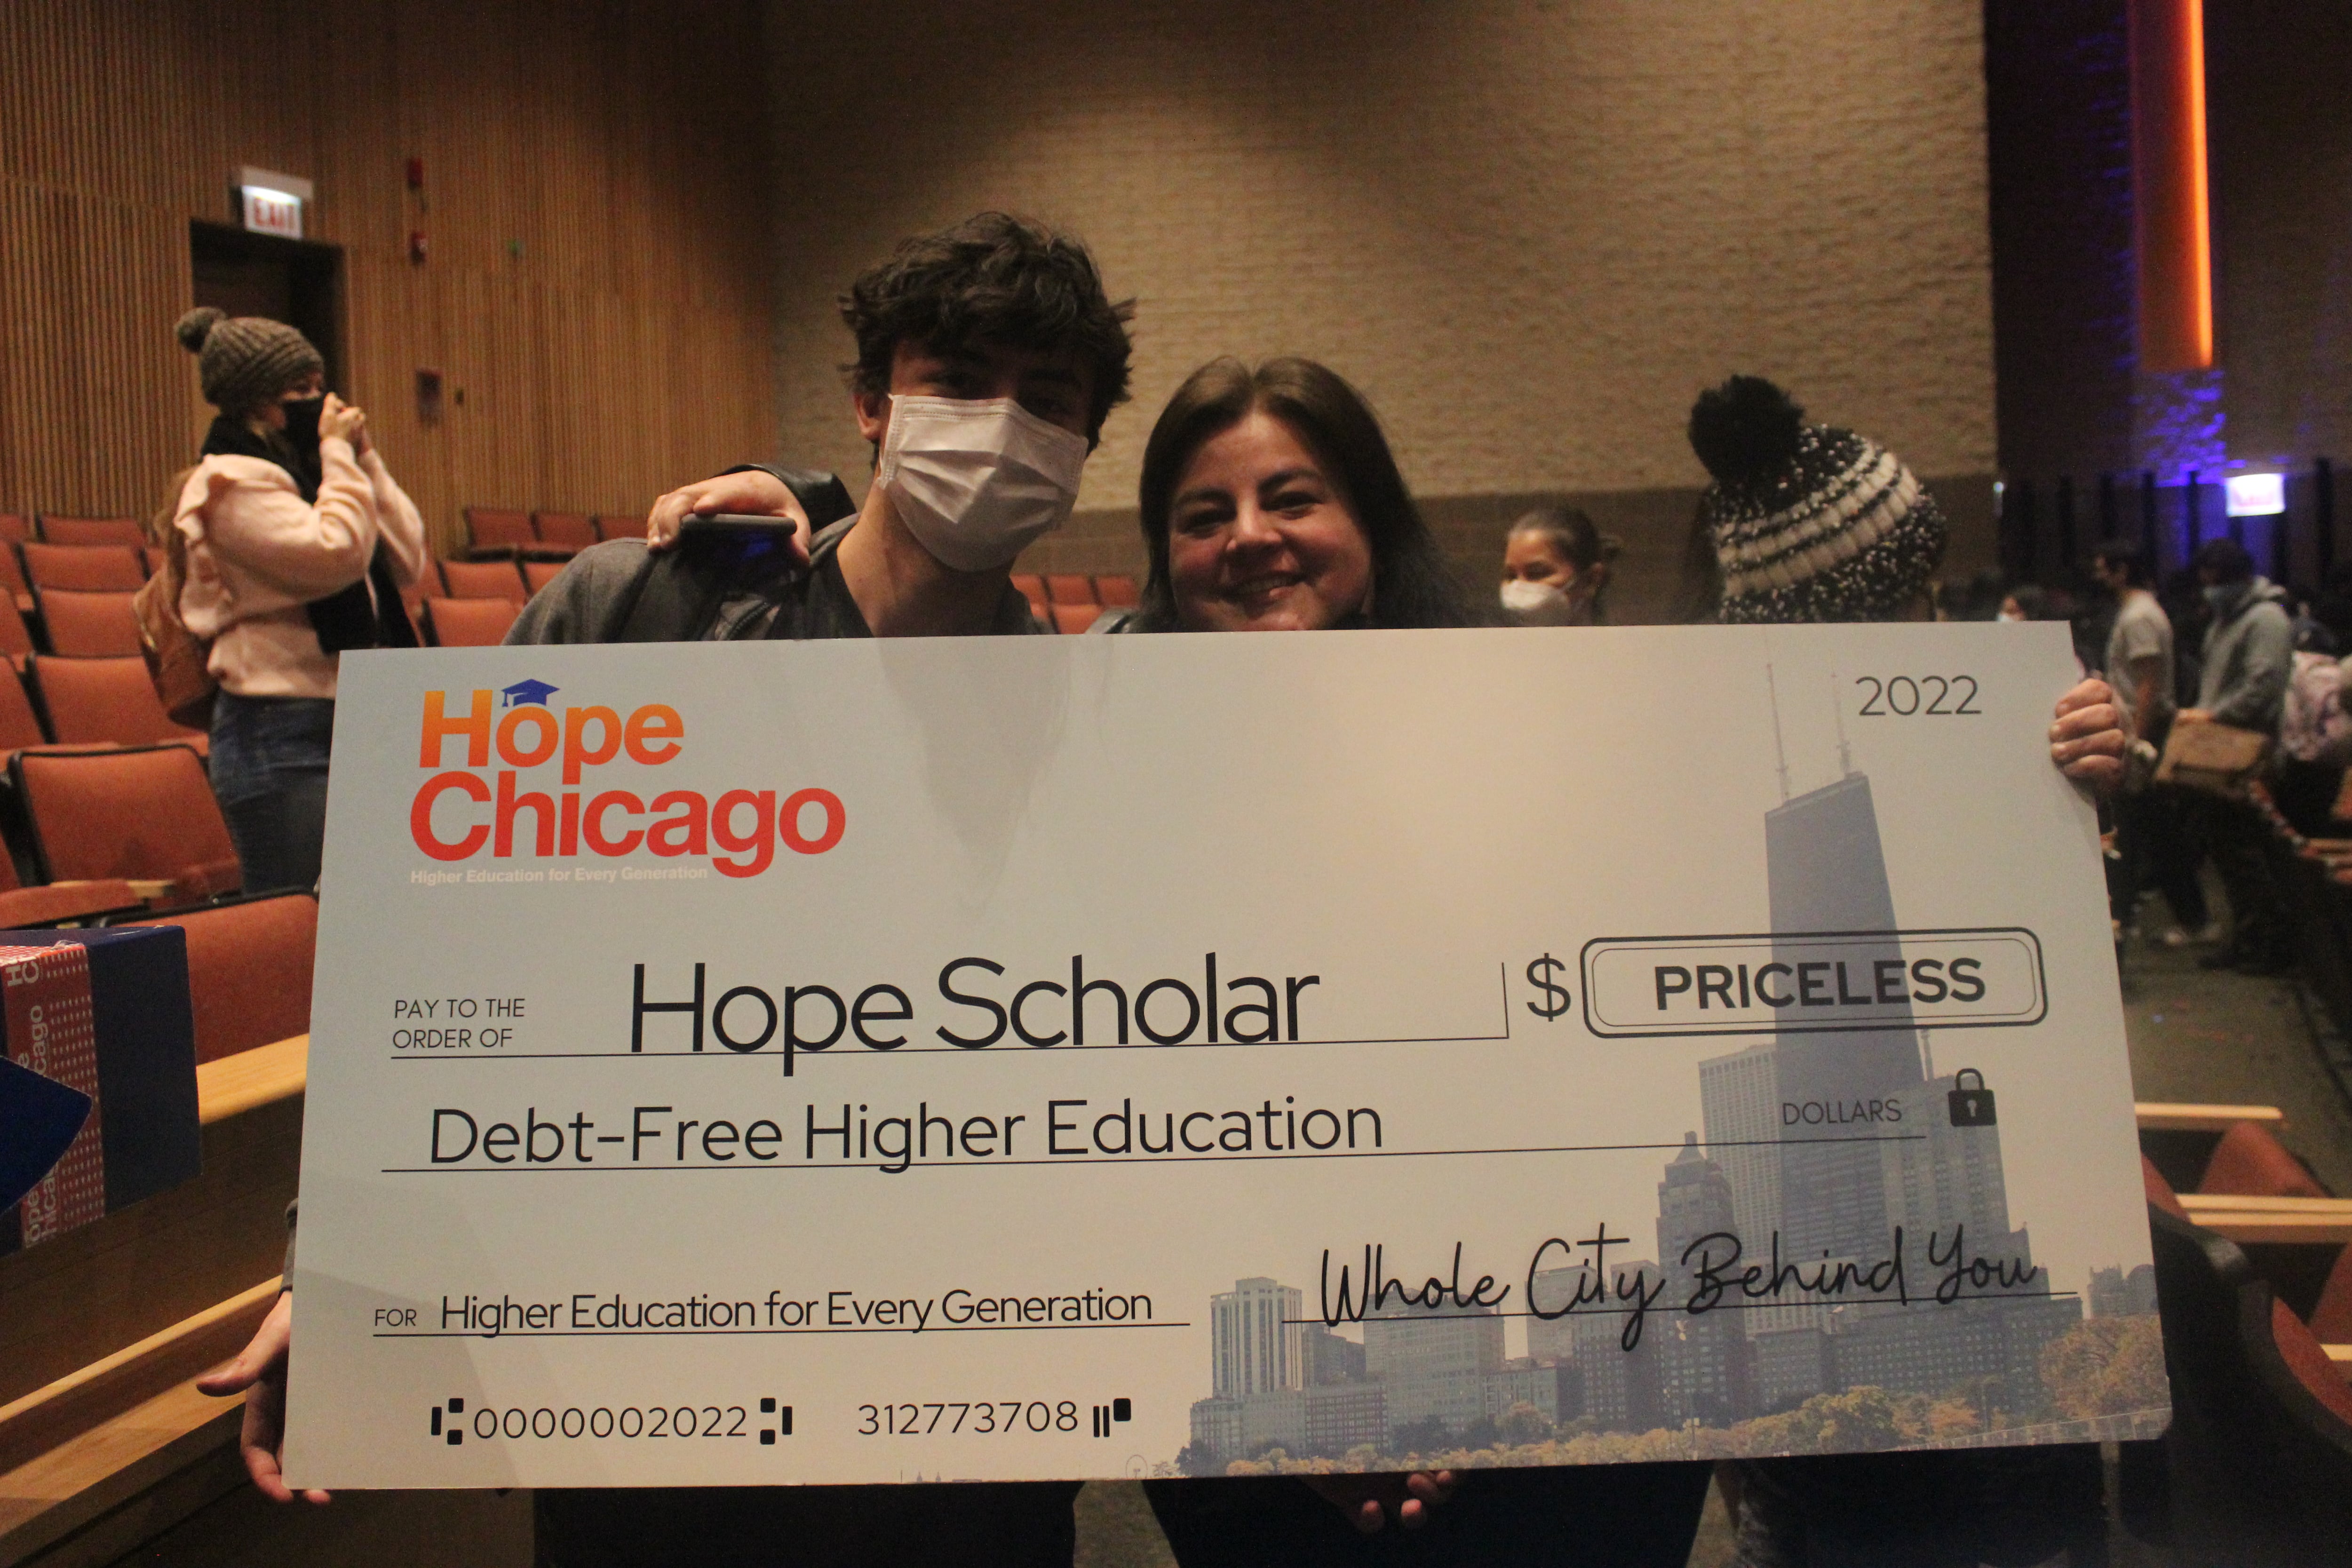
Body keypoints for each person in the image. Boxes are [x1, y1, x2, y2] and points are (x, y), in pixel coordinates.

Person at [199, 213, 1136, 1568]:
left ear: (1083, 447)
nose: (999, 428)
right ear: (873, 403)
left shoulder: (1091, 721)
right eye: (959, 383)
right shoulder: (631, 617)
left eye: (1045, 403)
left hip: (962, 1397)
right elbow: (439, 955)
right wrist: (344, 1255)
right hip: (650, 1374)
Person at [1126, 356, 1711, 1567]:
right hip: (1269, 1424)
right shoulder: (1094, 780)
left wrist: (2039, 772)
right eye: (1202, 514)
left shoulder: (1559, 733)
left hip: (1568, 1395)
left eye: (1292, 498)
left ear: (1371, 525)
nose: (1248, 538)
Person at [1678, 375, 2121, 1566]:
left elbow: (2059, 983)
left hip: (1973, 1251)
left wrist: (2086, 788)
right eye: (1910, 596)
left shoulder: (2002, 739)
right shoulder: (1754, 788)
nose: (1938, 623)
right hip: (1842, 1338)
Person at [167, 307, 425, 893]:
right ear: (257, 403)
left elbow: (408, 558)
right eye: (301, 391)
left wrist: (363, 457)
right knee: (303, 926)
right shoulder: (229, 480)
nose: (322, 403)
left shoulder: (319, 473)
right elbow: (335, 556)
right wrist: (337, 457)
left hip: (362, 715)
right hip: (281, 733)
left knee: (376, 913)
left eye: (319, 385)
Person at [2180, 537, 2297, 974]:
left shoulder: (2266, 618)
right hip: (2218, 752)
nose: (2211, 589)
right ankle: (2246, 937)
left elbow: (2262, 688)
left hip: (2248, 754)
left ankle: (2270, 943)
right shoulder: (2226, 618)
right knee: (2229, 856)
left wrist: (2210, 715)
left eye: (2218, 581)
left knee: (2250, 855)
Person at [2091, 542, 2215, 944]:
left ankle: (2129, 919)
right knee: (2153, 830)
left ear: (2121, 570)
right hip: (2141, 730)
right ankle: (2185, 917)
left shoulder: (2141, 615)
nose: (2098, 575)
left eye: (2103, 567)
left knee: (2137, 828)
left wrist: (2139, 742)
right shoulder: (2141, 611)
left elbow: (2148, 683)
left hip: (2144, 731)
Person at [1500, 506, 1615, 625]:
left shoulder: (1618, 643)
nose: (1519, 586)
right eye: (1511, 576)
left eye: (1537, 573)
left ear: (1591, 579)